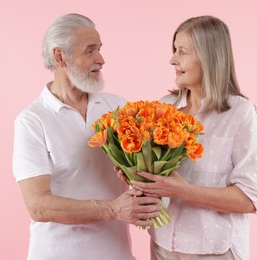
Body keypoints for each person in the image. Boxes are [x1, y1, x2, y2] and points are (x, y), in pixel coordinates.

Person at [12, 13, 162, 260]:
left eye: (100, 49)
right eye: (90, 51)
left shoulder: (117, 106)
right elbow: (38, 205)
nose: (101, 60)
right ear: (60, 56)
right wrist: (112, 209)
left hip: (117, 253)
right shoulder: (32, 120)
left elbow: (142, 171)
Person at [130, 16, 257, 260]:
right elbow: (157, 179)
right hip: (162, 246)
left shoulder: (240, 114)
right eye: (174, 50)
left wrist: (184, 190)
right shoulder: (165, 107)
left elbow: (250, 198)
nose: (172, 60)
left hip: (214, 250)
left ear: (208, 57)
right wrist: (135, 173)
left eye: (182, 52)